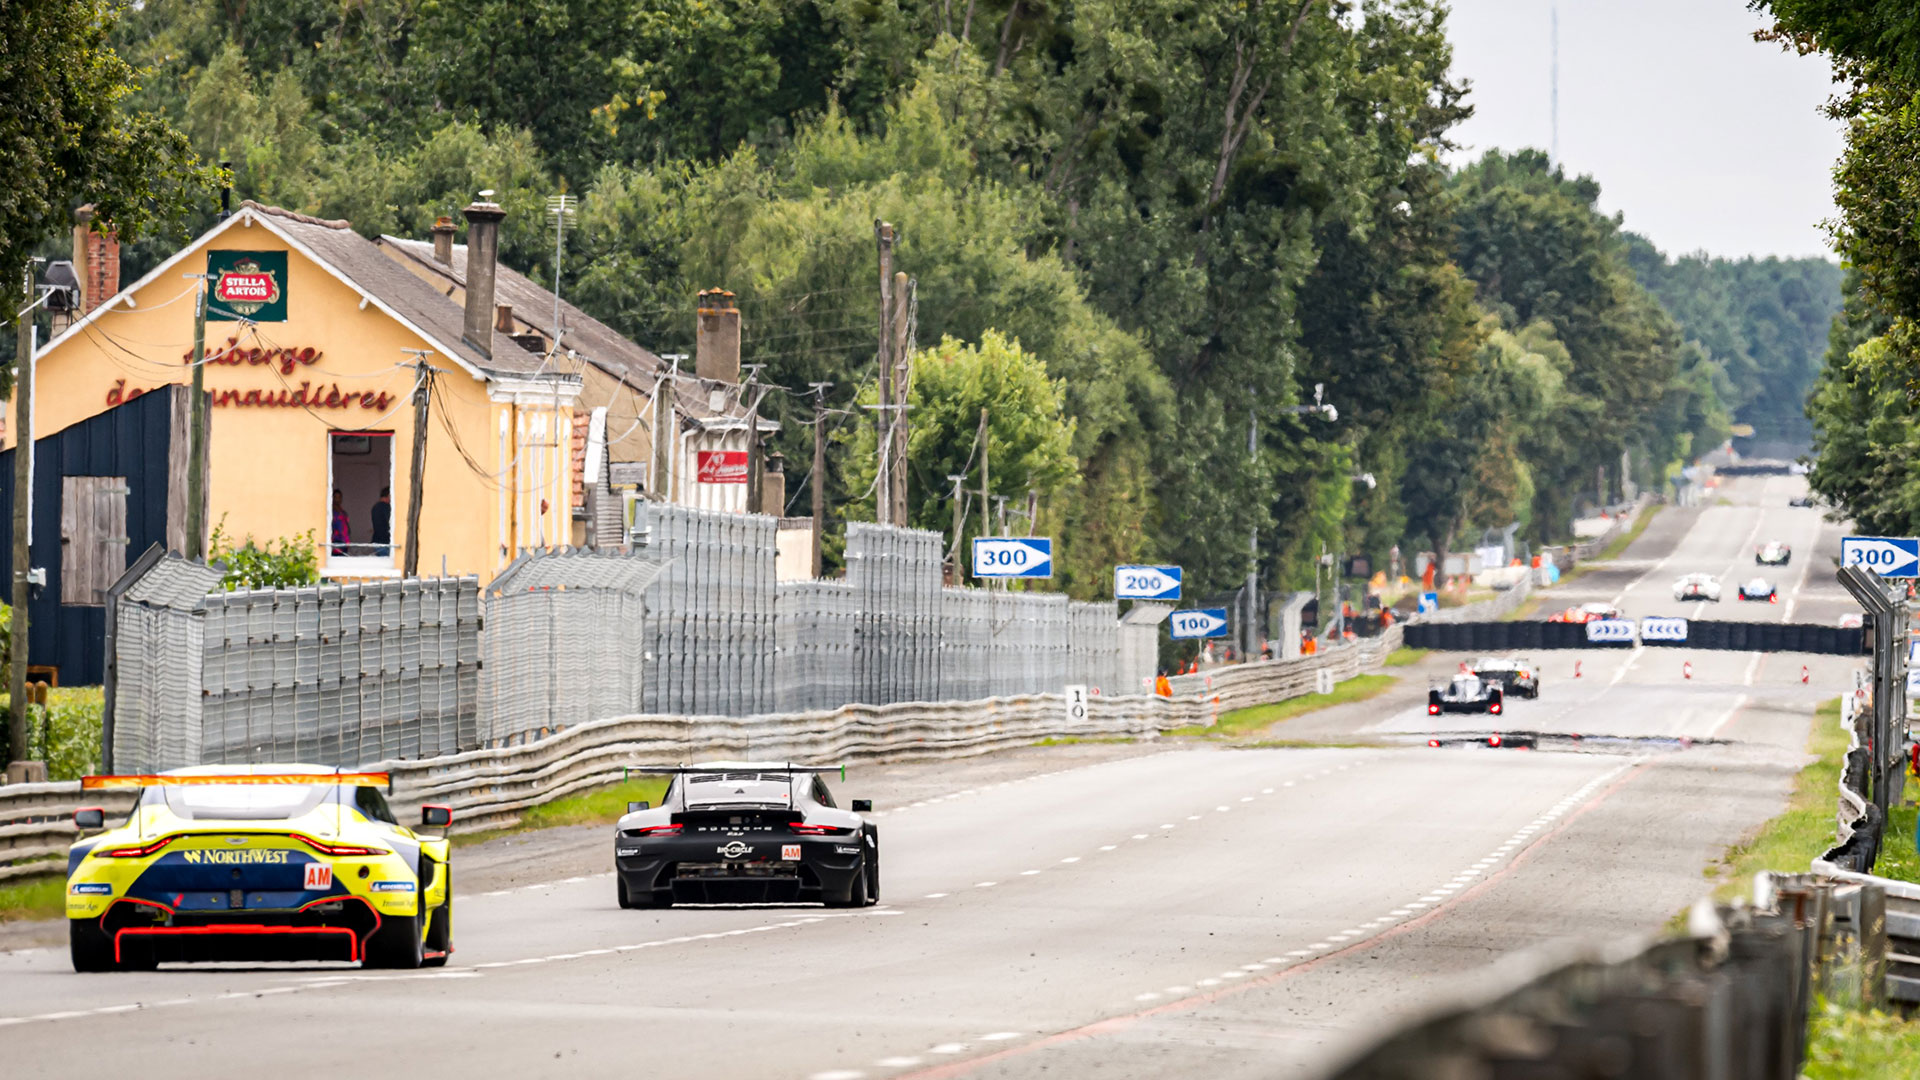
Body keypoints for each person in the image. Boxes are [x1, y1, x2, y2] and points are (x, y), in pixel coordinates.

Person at [370, 487, 393, 556]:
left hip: (377, 540)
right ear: (389, 495)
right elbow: (390, 522)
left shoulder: (375, 507)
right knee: (387, 564)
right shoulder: (386, 507)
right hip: (384, 541)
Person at [330, 490, 351, 556]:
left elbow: (347, 526)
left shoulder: (343, 512)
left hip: (345, 541)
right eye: (335, 497)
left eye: (339, 497)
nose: (337, 499)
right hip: (336, 540)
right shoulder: (330, 512)